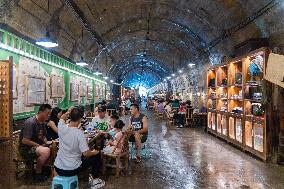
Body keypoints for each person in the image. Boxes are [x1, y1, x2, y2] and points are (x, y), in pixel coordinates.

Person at [54, 107, 105, 189]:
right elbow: (86, 153)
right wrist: (94, 152)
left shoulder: (61, 127)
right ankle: (95, 180)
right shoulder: (79, 133)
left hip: (58, 168)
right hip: (72, 169)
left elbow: (62, 118)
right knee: (96, 155)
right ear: (80, 119)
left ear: (70, 117)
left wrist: (68, 111)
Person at [19, 104, 52, 181]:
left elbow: (43, 137)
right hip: (26, 149)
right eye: (47, 113)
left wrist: (48, 143)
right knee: (46, 151)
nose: (49, 115)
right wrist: (39, 146)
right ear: (40, 112)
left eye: (50, 113)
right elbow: (25, 140)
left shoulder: (43, 122)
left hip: (36, 147)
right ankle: (38, 173)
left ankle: (45, 171)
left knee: (52, 148)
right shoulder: (30, 122)